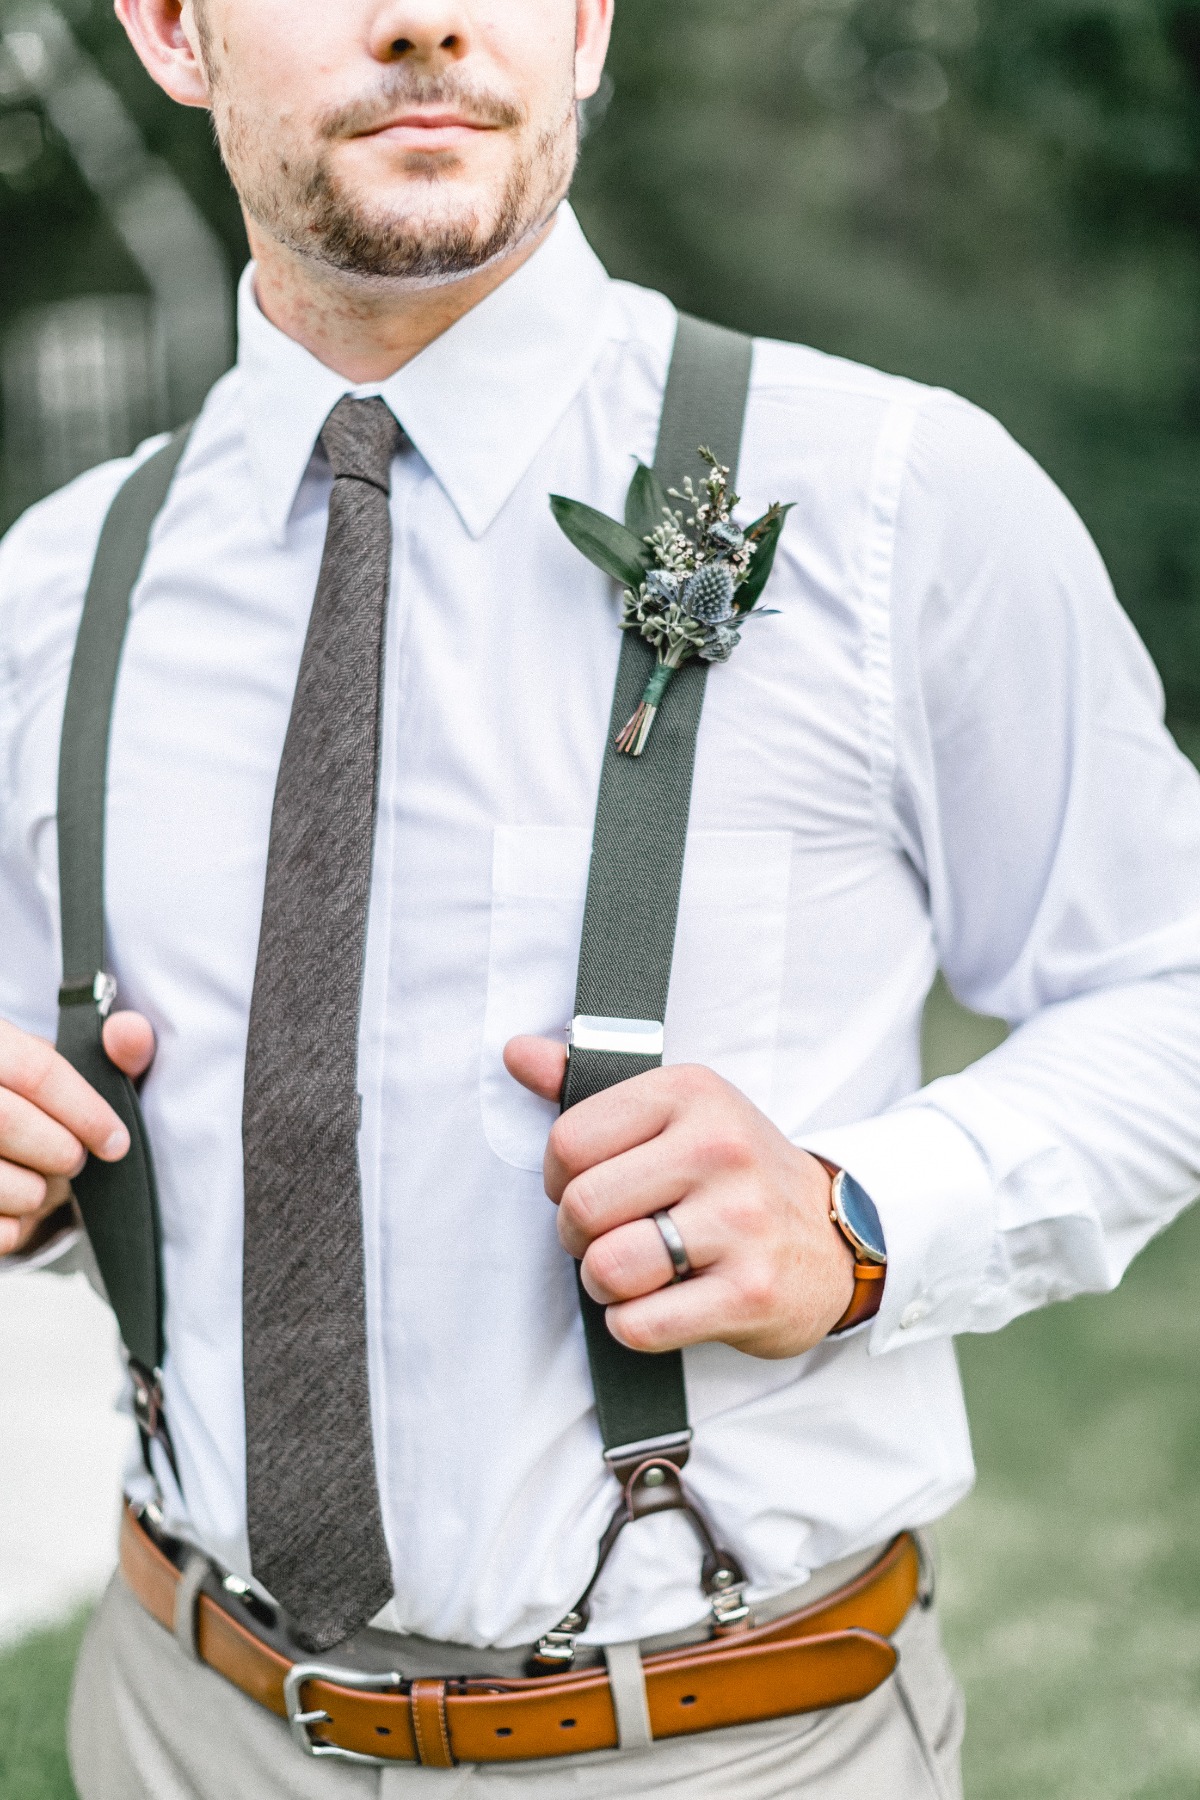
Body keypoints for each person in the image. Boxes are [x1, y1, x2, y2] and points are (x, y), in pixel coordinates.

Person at [2, 1, 1199, 1794]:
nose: (422, 17)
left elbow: (1168, 982)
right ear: (173, 30)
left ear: (583, 23)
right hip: (179, 1718)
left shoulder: (896, 499)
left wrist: (861, 1218)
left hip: (726, 1746)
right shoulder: (50, 589)